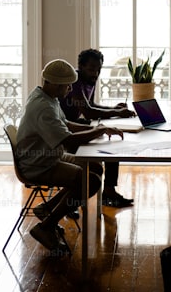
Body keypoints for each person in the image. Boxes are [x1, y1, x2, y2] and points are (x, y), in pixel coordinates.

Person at [15, 59, 123, 252]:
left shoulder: (48, 97)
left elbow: (67, 125)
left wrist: (97, 128)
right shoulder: (44, 107)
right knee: (90, 180)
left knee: (96, 166)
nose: (71, 88)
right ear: (56, 84)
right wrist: (99, 130)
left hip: (48, 156)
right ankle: (45, 227)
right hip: (39, 164)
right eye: (68, 85)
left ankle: (46, 209)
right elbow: (69, 140)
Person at [59, 48, 137, 208]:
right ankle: (69, 199)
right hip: (64, 129)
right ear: (80, 66)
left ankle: (108, 190)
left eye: (98, 69)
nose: (95, 73)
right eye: (91, 69)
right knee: (106, 140)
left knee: (112, 144)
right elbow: (88, 112)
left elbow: (91, 105)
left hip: (75, 122)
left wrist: (113, 108)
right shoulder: (75, 81)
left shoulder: (89, 81)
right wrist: (116, 112)